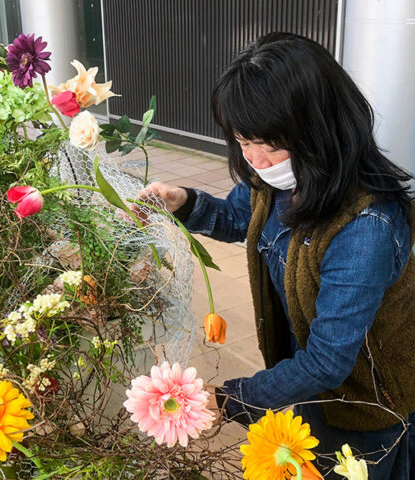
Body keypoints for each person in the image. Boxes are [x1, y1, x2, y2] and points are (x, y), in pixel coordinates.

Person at [135, 32, 415, 479]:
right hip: (304, 381)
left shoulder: (365, 229)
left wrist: (229, 398)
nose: (256, 160)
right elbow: (235, 218)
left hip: (364, 404)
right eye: (243, 142)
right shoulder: (273, 181)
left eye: (270, 144)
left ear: (321, 129)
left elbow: (326, 361)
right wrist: (184, 201)